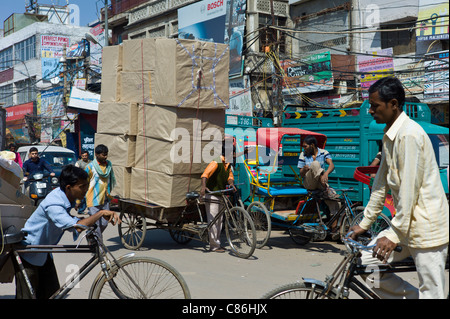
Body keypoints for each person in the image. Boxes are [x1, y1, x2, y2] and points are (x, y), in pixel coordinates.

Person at [349, 76, 449, 299]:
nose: (371, 111)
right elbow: (380, 184)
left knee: (432, 292)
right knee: (366, 262)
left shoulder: (410, 135)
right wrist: (364, 223)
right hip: (404, 225)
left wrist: (393, 234)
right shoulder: (390, 136)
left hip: (426, 227)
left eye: (375, 106)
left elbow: (408, 191)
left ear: (393, 104)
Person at [14, 165, 121, 299]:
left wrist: (87, 220)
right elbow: (76, 226)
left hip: (43, 252)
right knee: (27, 296)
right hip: (28, 252)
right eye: (82, 186)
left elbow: (72, 220)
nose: (85, 190)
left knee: (53, 294)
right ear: (69, 188)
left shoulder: (64, 198)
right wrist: (99, 214)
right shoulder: (54, 204)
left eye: (86, 185)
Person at [200, 144, 236, 253]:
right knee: (213, 220)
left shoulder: (228, 164)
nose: (234, 155)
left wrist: (231, 184)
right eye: (233, 153)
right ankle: (214, 246)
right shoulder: (216, 162)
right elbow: (205, 174)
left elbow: (230, 177)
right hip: (212, 194)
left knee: (219, 221)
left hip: (220, 194)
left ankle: (217, 242)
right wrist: (203, 187)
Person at [297, 135, 340, 225]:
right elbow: (301, 174)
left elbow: (331, 165)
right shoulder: (303, 154)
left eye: (305, 146)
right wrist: (304, 169)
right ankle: (326, 189)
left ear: (312, 145)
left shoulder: (324, 152)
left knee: (335, 203)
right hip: (309, 183)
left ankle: (334, 229)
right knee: (315, 164)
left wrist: (326, 174)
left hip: (321, 184)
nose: (304, 148)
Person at [84, 144, 116, 240]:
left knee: (105, 223)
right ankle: (99, 249)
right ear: (97, 155)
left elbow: (111, 179)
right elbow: (84, 181)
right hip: (93, 199)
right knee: (97, 224)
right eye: (103, 155)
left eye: (106, 154)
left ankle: (90, 234)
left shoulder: (109, 165)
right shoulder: (90, 167)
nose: (105, 157)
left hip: (105, 198)